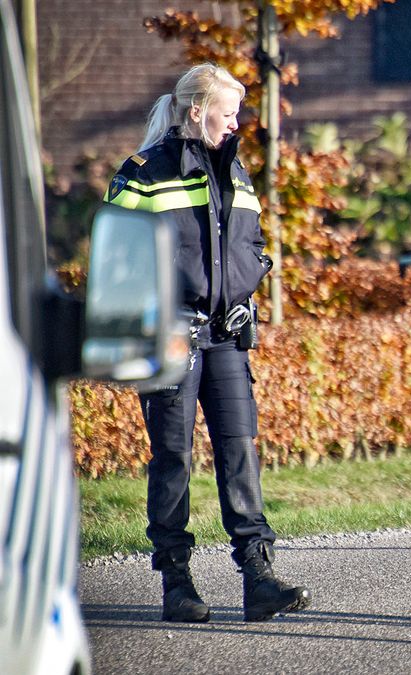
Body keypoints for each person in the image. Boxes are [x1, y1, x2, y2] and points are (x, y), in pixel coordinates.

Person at [105, 64, 310, 623]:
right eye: (229, 111)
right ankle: (177, 583)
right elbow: (115, 257)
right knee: (173, 458)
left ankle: (259, 577)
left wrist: (249, 284)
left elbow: (254, 244)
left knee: (240, 451)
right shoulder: (144, 172)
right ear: (197, 110)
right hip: (169, 336)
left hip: (225, 337)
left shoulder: (236, 172)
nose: (237, 121)